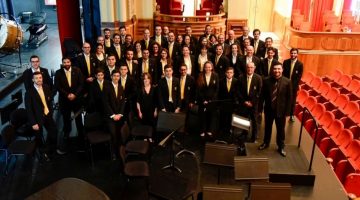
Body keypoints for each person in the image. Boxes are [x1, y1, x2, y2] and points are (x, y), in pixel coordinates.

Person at [25, 72, 63, 161]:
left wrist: (50, 111)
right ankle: (43, 154)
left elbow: (48, 100)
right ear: (33, 80)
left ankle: (52, 151)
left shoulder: (46, 87)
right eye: (36, 78)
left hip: (47, 114)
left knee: (54, 132)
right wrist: (33, 123)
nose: (39, 79)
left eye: (40, 77)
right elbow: (29, 110)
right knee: (39, 137)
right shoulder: (29, 93)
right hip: (37, 119)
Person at [258, 62, 292, 157]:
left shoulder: (287, 81)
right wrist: (260, 109)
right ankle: (266, 143)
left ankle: (281, 146)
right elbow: (262, 97)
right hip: (269, 110)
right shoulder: (266, 80)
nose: (277, 71)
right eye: (275, 69)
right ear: (272, 70)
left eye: (279, 69)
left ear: (282, 70)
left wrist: (288, 112)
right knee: (267, 128)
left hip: (281, 111)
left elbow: (290, 98)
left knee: (280, 130)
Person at [54, 57, 84, 151]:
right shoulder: (58, 73)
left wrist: (75, 94)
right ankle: (66, 140)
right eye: (64, 62)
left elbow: (81, 84)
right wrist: (68, 95)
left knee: (78, 119)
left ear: (70, 62)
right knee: (66, 119)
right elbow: (57, 86)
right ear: (62, 63)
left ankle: (81, 138)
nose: (66, 63)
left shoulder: (77, 70)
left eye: (68, 62)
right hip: (64, 100)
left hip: (77, 99)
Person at [103, 70, 126, 160]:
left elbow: (123, 102)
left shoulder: (120, 87)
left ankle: (120, 152)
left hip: (119, 116)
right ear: (111, 77)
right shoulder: (106, 87)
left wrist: (120, 114)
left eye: (118, 76)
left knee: (120, 134)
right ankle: (113, 153)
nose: (116, 78)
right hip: (110, 117)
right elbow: (105, 103)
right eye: (115, 76)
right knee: (113, 135)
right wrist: (113, 115)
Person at [238, 62, 262, 142]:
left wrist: (252, 102)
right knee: (244, 119)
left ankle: (254, 137)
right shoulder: (241, 77)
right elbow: (239, 92)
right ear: (246, 68)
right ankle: (244, 133)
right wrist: (244, 101)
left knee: (254, 121)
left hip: (254, 104)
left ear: (254, 68)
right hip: (244, 103)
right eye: (248, 67)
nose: (250, 69)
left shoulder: (258, 78)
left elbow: (259, 92)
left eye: (251, 67)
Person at [196, 61, 219, 138]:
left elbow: (217, 89)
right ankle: (202, 130)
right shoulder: (200, 75)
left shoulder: (215, 75)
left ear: (212, 67)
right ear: (204, 68)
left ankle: (209, 130)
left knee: (211, 116)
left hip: (212, 101)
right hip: (203, 100)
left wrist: (212, 100)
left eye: (209, 67)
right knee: (202, 116)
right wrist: (203, 100)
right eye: (206, 67)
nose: (208, 68)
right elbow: (199, 90)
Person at [283, 48, 303, 122]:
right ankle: (284, 113)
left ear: (297, 54)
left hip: (294, 87)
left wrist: (291, 86)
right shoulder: (285, 62)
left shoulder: (300, 64)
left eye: (295, 53)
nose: (293, 54)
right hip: (285, 85)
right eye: (292, 53)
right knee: (284, 99)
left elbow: (299, 77)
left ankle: (291, 115)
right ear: (290, 53)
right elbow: (283, 74)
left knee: (292, 101)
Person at [218, 67, 238, 139]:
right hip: (223, 103)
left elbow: (237, 93)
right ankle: (221, 130)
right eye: (228, 72)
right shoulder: (221, 81)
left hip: (231, 103)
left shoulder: (236, 81)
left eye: (231, 72)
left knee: (230, 117)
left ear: (233, 74)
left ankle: (229, 130)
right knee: (222, 117)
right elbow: (219, 93)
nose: (229, 74)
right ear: (225, 73)